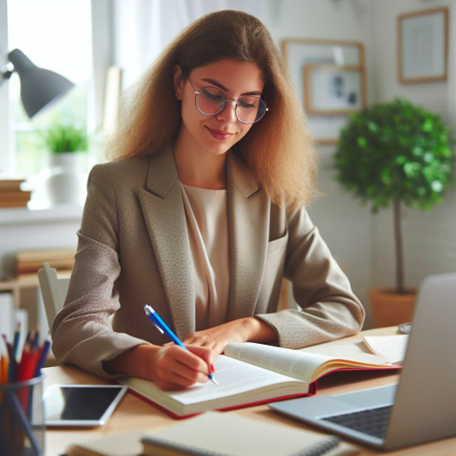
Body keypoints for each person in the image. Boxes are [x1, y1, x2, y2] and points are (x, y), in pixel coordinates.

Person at [51, 10, 365, 391]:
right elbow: (75, 326)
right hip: (158, 399)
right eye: (213, 95)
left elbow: (343, 308)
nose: (228, 118)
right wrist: (151, 359)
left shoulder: (273, 192)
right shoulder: (116, 186)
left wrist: (246, 328)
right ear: (180, 82)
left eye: (247, 103)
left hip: (251, 396)